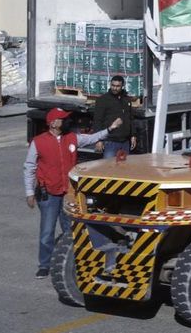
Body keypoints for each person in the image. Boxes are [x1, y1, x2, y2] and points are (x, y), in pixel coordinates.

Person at [24, 108, 123, 279]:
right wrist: (29, 192)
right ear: (53, 123)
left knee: (71, 229)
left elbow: (92, 138)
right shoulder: (38, 142)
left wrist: (110, 129)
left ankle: (73, 261)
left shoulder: (72, 138)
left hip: (68, 192)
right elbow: (29, 168)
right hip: (49, 194)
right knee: (47, 232)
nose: (66, 122)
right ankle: (44, 265)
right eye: (62, 119)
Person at [93, 75, 137, 158]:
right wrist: (98, 140)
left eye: (117, 86)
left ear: (122, 86)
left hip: (125, 142)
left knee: (124, 168)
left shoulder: (126, 99)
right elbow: (97, 121)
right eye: (113, 85)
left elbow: (130, 119)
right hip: (110, 141)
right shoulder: (103, 100)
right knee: (109, 168)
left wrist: (133, 135)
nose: (115, 88)